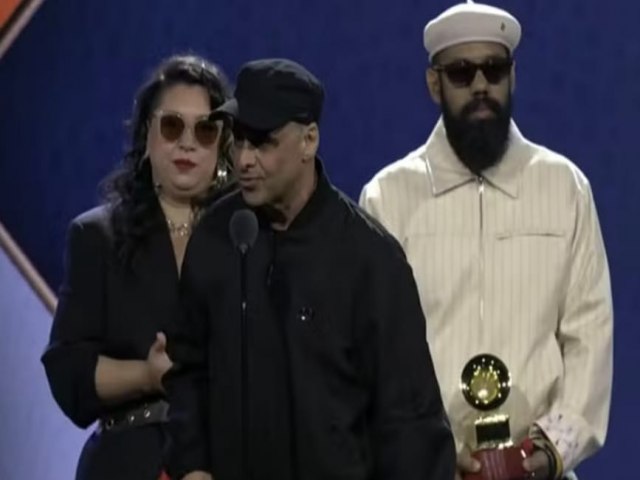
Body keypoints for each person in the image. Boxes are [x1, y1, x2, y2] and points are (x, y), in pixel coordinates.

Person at [164, 58, 456, 480]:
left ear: (309, 140)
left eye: (262, 142)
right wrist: (191, 465)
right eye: (239, 139)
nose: (243, 159)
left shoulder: (370, 260)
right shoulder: (216, 237)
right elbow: (187, 370)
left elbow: (411, 424)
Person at [359, 2, 613, 479]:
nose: (480, 85)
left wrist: (547, 451)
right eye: (461, 72)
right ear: (434, 84)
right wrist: (429, 451)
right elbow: (374, 354)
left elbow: (589, 336)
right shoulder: (387, 198)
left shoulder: (564, 188)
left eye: (493, 70)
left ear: (512, 77)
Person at [41, 54, 234, 480]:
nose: (187, 143)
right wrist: (147, 375)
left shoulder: (249, 240)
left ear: (222, 146)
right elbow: (69, 369)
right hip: (129, 462)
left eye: (205, 130)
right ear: (147, 135)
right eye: (172, 126)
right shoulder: (98, 237)